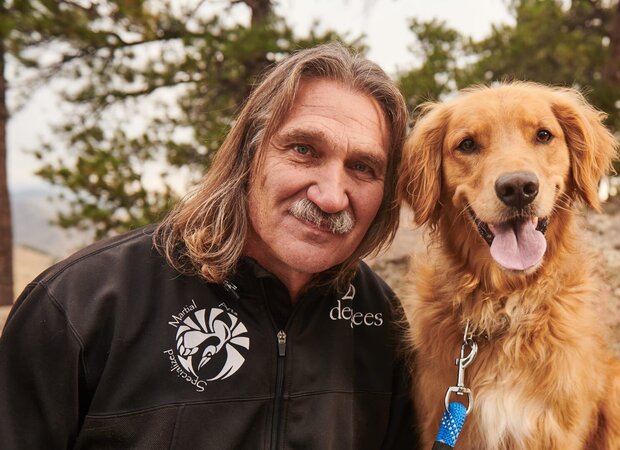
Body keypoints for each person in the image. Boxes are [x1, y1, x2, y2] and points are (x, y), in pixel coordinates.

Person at [0, 42, 418, 449]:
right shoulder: (82, 305)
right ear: (249, 155)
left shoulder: (378, 318)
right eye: (304, 150)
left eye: (363, 168)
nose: (331, 196)